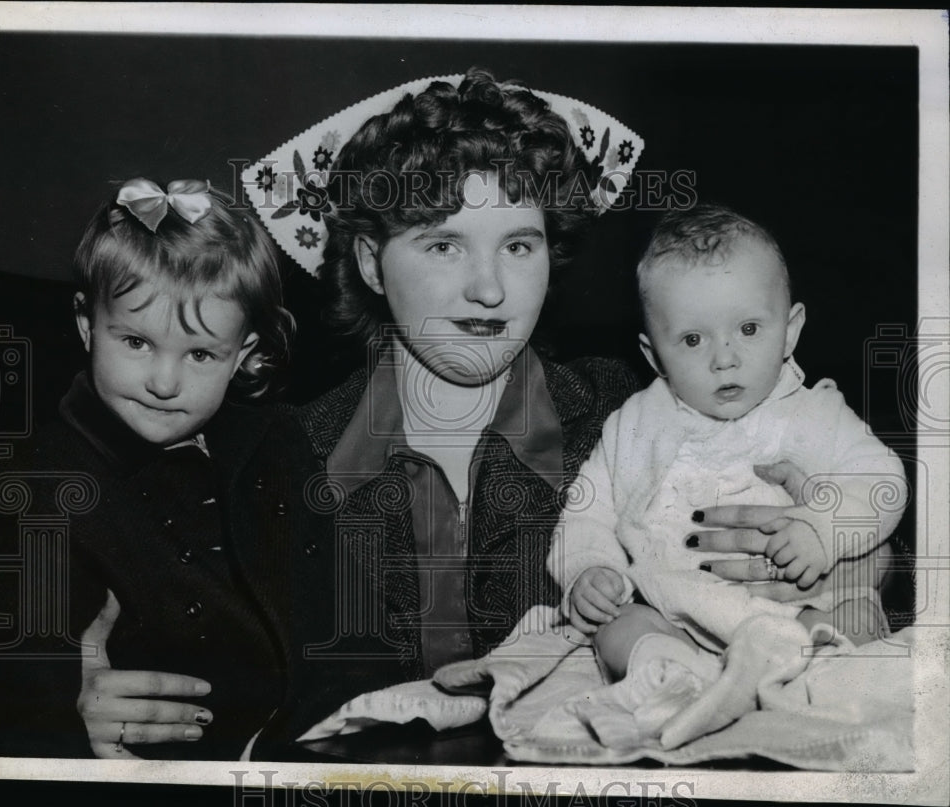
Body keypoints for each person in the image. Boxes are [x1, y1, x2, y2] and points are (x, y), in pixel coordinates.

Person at [71, 71, 868, 757]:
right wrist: (79, 698)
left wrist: (836, 554)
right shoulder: (281, 457)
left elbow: (871, 559)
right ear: (369, 265)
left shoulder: (645, 413)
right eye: (443, 244)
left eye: (519, 246)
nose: (490, 289)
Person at [548, 205, 907, 740]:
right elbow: (586, 510)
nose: (725, 359)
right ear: (654, 354)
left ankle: (796, 681)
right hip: (679, 620)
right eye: (693, 340)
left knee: (852, 618)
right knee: (616, 629)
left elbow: (882, 481)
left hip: (798, 614)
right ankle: (675, 680)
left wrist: (821, 528)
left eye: (748, 329)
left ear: (790, 331)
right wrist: (588, 570)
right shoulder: (634, 425)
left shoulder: (813, 413)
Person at [0, 178, 302, 760]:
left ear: (244, 353)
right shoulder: (42, 487)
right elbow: (18, 679)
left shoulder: (279, 441)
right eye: (136, 342)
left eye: (201, 354)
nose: (163, 383)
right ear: (87, 325)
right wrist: (59, 713)